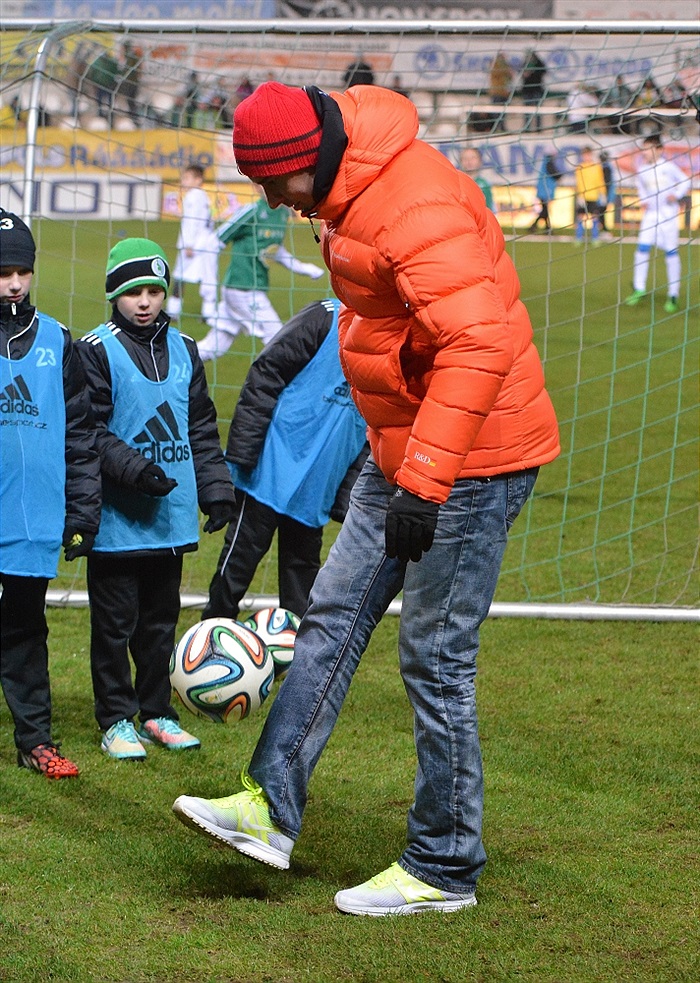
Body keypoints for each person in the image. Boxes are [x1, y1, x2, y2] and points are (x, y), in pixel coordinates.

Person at [172, 80, 559, 916]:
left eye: (274, 182)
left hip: (475, 457)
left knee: (436, 656)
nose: (271, 201)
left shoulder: (410, 203)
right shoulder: (345, 188)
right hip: (409, 447)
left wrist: (423, 480)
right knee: (330, 618)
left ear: (307, 157)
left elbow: (479, 340)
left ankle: (444, 865)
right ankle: (268, 806)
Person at [75, 238, 236, 760]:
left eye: (153, 291)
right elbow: (89, 431)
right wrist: (137, 472)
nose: (144, 302)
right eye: (132, 292)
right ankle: (115, 719)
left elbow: (201, 427)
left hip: (170, 517)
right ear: (113, 295)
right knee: (114, 625)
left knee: (159, 624)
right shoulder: (94, 349)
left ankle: (156, 712)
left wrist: (216, 490)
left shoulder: (186, 348)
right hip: (119, 519)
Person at [0, 209, 101, 779]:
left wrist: (81, 512)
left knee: (25, 629)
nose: (15, 284)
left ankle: (35, 740)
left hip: (33, 518)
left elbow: (81, 435)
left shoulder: (58, 341)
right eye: (3, 273)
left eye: (22, 272)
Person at [203, 296, 369, 622]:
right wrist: (244, 453)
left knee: (301, 581)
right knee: (237, 566)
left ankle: (296, 649)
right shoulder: (324, 317)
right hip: (268, 470)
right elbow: (266, 373)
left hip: (318, 484)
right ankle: (211, 635)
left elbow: (377, 428)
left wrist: (345, 494)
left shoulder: (396, 342)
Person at [197, 185, 324, 362]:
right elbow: (212, 243)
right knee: (279, 340)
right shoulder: (252, 212)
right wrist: (209, 294)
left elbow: (274, 249)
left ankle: (173, 360)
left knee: (213, 347)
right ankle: (274, 380)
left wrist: (302, 268)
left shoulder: (282, 214)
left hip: (254, 287)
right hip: (243, 289)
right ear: (255, 186)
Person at [623, 135, 691, 313]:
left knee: (671, 253)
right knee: (642, 249)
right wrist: (644, 200)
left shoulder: (668, 167)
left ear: (659, 150)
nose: (646, 152)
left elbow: (686, 180)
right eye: (644, 149)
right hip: (651, 215)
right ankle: (639, 288)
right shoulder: (642, 169)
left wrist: (676, 195)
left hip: (668, 215)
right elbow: (641, 187)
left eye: (649, 148)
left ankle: (673, 294)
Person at [165, 165, 220, 325]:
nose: (184, 181)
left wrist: (188, 244)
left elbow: (192, 222)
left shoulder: (193, 196)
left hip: (194, 244)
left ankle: (173, 311)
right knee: (208, 278)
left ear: (198, 180)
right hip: (206, 243)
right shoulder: (203, 196)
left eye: (187, 178)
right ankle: (209, 313)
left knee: (180, 276)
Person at [574, 146, 606, 245]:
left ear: (591, 155)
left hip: (594, 196)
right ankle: (578, 238)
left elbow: (600, 181)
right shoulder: (580, 167)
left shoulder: (597, 167)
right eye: (584, 155)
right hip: (583, 196)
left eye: (588, 155)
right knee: (580, 216)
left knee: (595, 217)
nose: (586, 157)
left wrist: (603, 193)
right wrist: (580, 195)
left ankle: (595, 238)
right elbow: (579, 182)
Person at [529, 151, 563, 232]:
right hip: (545, 190)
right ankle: (539, 226)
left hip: (543, 189)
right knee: (545, 209)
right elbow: (554, 173)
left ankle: (546, 227)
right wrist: (560, 175)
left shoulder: (545, 163)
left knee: (545, 209)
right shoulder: (549, 163)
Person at [459, 146, 495, 213]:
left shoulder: (484, 184)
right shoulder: (457, 183)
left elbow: (490, 209)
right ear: (460, 162)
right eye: (465, 158)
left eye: (473, 158)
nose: (469, 161)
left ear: (480, 161)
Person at [520, 49, 547, 132]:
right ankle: (527, 128)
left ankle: (538, 128)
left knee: (538, 110)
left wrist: (533, 72)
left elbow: (544, 71)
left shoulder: (539, 64)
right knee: (527, 110)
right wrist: (525, 74)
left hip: (537, 90)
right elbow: (521, 74)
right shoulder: (525, 64)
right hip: (527, 90)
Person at [488, 52, 513, 132]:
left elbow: (510, 78)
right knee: (496, 111)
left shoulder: (506, 66)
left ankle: (502, 127)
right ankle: (494, 128)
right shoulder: (495, 65)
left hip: (505, 92)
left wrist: (510, 73)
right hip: (497, 92)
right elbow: (495, 73)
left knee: (503, 112)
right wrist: (506, 70)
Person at [597, 151, 616, 238]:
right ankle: (603, 230)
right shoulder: (605, 167)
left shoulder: (606, 168)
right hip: (602, 193)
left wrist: (605, 195)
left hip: (603, 194)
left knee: (601, 212)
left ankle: (604, 230)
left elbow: (608, 183)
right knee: (600, 212)